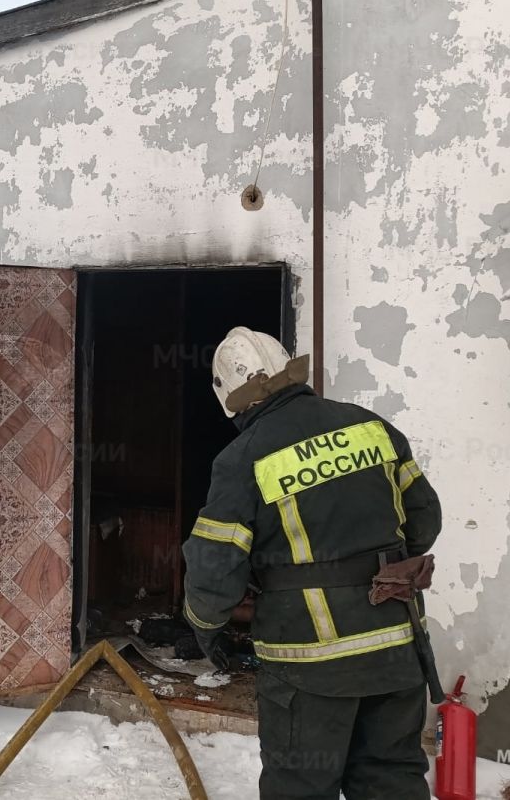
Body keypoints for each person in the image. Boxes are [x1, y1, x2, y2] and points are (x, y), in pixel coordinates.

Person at [182, 327, 442, 800]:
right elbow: (425, 519)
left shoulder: (242, 459)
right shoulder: (371, 427)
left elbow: (214, 571)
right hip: (395, 647)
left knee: (301, 786)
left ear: (231, 400)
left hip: (309, 665)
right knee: (391, 778)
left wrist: (207, 628)